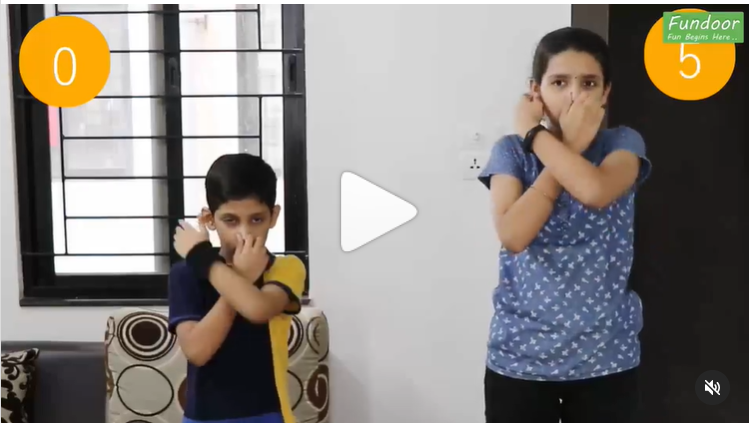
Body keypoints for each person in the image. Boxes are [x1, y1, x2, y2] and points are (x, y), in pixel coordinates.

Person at [478, 27, 651, 423]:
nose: (575, 95)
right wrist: (560, 146)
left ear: (606, 92)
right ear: (535, 91)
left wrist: (539, 137)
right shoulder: (510, 152)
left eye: (589, 83)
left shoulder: (623, 144)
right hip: (519, 359)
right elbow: (513, 235)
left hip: (607, 360)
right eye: (559, 82)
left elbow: (594, 190)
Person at [169, 153, 306, 423]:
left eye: (256, 220)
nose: (244, 233)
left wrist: (202, 257)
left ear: (274, 215)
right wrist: (238, 274)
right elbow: (197, 351)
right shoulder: (185, 274)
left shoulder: (287, 268)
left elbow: (257, 308)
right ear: (209, 219)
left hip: (268, 415)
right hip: (203, 418)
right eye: (230, 221)